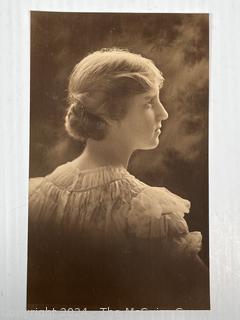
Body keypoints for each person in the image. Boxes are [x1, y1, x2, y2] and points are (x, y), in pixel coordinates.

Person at [27, 48, 209, 310]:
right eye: (148, 103)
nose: (163, 113)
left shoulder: (34, 194)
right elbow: (206, 302)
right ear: (111, 114)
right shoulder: (148, 212)